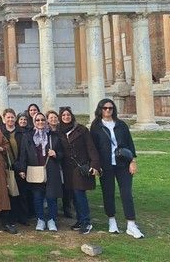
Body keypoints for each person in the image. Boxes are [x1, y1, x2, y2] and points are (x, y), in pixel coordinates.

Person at [90, 99, 144, 239]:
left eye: (110, 108)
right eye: (105, 108)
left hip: (122, 164)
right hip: (105, 165)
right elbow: (93, 148)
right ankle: (111, 220)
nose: (108, 110)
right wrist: (95, 165)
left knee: (126, 193)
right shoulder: (96, 126)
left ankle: (131, 224)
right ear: (100, 109)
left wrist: (132, 161)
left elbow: (129, 143)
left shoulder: (121, 125)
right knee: (108, 193)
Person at [18, 112, 64, 232]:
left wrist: (56, 154)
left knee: (51, 196)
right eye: (37, 120)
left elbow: (62, 153)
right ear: (34, 122)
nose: (40, 122)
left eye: (42, 120)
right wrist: (22, 169)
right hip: (35, 169)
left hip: (51, 169)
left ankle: (52, 219)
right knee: (37, 196)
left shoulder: (53, 135)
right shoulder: (28, 136)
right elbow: (23, 153)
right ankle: (40, 219)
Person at [58, 106, 100, 235]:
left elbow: (90, 147)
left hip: (80, 166)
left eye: (68, 115)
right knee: (73, 195)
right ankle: (80, 219)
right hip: (68, 168)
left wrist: (95, 164)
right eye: (63, 115)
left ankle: (86, 222)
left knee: (80, 194)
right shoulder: (60, 132)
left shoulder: (82, 130)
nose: (66, 117)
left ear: (72, 116)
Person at [1, 108, 29, 226]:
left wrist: (22, 167)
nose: (10, 119)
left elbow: (24, 151)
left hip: (19, 166)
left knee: (22, 193)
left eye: (12, 117)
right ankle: (10, 217)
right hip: (7, 166)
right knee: (9, 193)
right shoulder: (0, 132)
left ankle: (22, 216)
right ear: (4, 119)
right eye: (8, 117)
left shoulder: (22, 132)